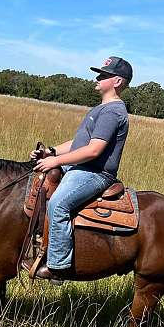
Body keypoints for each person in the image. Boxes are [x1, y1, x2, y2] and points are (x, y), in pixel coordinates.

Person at [30, 56, 132, 280]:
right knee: (36, 185)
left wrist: (56, 162)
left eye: (103, 75)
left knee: (58, 204)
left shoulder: (113, 112)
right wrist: (52, 152)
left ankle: (58, 266)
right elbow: (79, 144)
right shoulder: (101, 108)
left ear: (117, 81)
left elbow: (94, 150)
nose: (97, 78)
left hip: (94, 173)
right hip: (79, 167)